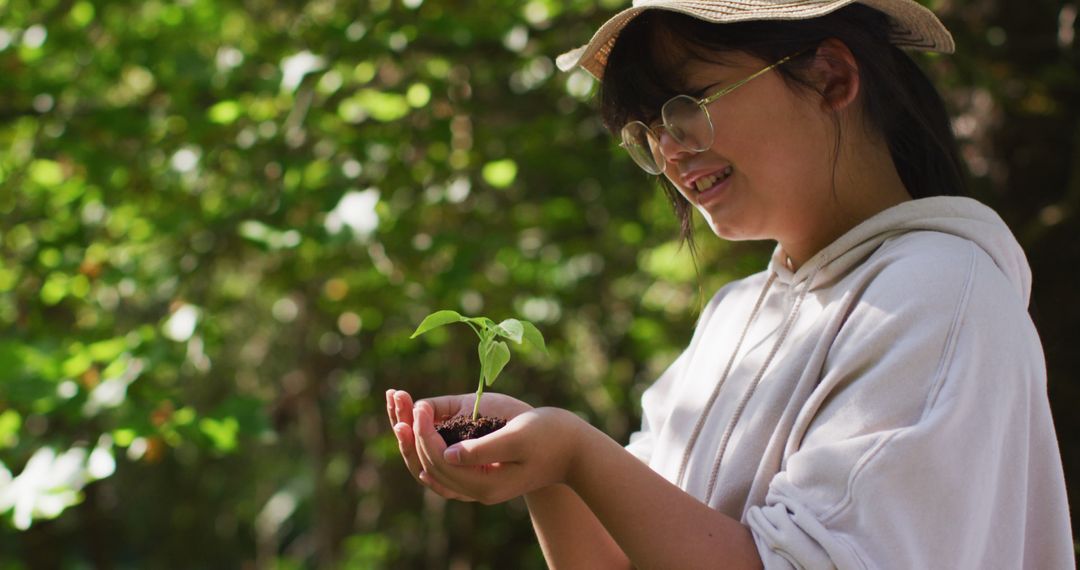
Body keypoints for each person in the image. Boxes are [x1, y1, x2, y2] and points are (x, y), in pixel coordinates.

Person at [387, 0, 1075, 567]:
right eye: (649, 124)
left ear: (831, 77)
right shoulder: (734, 316)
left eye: (689, 101)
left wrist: (573, 448)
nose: (669, 146)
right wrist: (547, 469)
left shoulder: (939, 293)